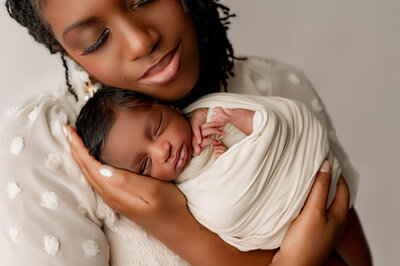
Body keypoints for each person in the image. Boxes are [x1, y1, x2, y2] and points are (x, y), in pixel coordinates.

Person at [1, 0, 371, 265]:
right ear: (58, 46)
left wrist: (183, 230)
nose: (141, 41)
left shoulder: (274, 87)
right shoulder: (43, 155)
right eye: (97, 39)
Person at [75, 86, 366, 264]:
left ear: (171, 106)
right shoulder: (183, 191)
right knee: (220, 213)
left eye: (157, 127)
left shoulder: (207, 112)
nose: (161, 151)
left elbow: (275, 122)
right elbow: (217, 204)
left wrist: (219, 118)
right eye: (144, 165)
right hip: (277, 225)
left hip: (310, 174)